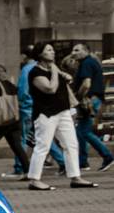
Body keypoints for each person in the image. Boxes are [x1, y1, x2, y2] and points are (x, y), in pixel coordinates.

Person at [26, 43, 97, 190]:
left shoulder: (54, 69)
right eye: (48, 50)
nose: (52, 52)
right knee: (43, 146)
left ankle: (75, 177)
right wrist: (55, 71)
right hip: (46, 114)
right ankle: (34, 180)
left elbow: (64, 87)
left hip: (63, 111)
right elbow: (50, 88)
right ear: (40, 54)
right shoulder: (35, 72)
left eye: (52, 50)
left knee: (71, 144)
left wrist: (73, 106)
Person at [68, 42, 114, 172]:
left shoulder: (86, 63)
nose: (73, 53)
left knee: (84, 131)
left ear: (86, 51)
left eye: (77, 50)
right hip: (93, 99)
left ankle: (107, 156)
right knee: (81, 131)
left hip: (89, 100)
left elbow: (86, 84)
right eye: (73, 50)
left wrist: (78, 97)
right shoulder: (91, 62)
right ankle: (83, 162)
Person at [18, 50, 64, 175]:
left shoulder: (28, 69)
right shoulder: (46, 68)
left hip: (29, 107)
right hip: (44, 106)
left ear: (25, 56)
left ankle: (20, 167)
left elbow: (23, 91)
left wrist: (21, 103)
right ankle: (62, 162)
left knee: (28, 138)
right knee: (43, 137)